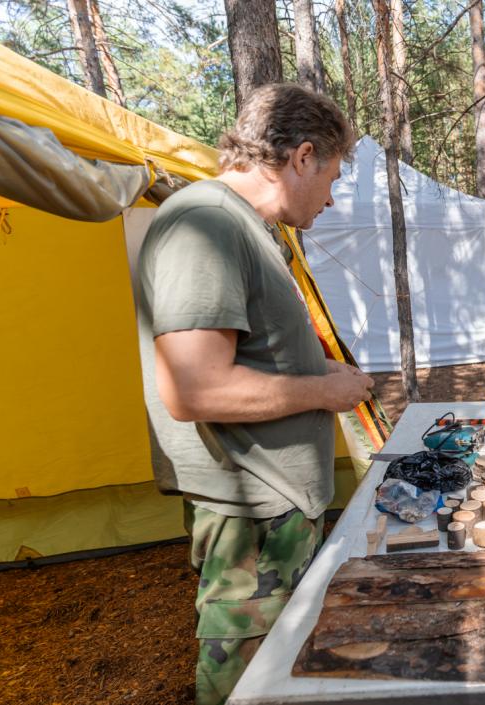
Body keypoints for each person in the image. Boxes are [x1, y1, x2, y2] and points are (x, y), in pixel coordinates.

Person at [134, 84, 374, 705]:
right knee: (246, 676)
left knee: (281, 665)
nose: (331, 196)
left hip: (275, 498)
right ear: (302, 157)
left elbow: (250, 351)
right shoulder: (205, 222)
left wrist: (319, 369)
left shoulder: (251, 229)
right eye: (333, 176)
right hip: (252, 501)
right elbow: (195, 388)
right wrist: (325, 390)